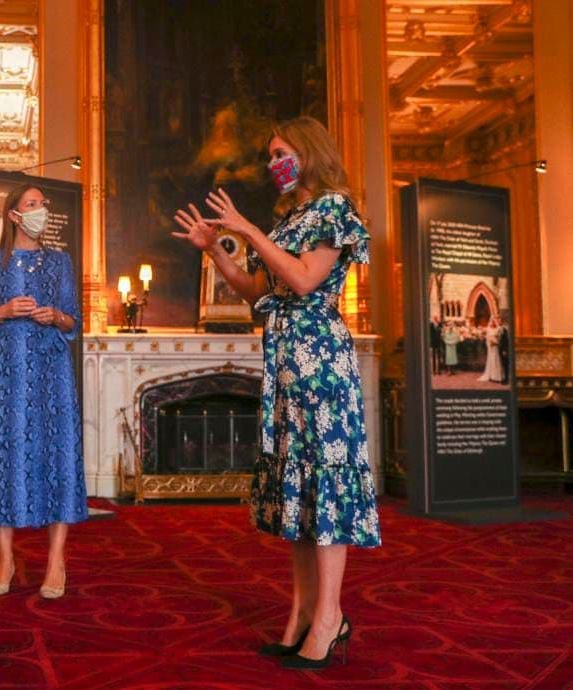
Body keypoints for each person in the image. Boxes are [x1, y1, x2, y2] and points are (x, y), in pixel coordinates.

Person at [171, 116, 380, 670]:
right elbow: (258, 288)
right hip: (287, 365)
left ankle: (330, 617)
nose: (272, 164)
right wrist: (216, 249)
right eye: (270, 155)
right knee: (300, 489)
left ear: (308, 153)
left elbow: (307, 280)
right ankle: (302, 612)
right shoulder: (290, 218)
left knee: (325, 486)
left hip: (321, 365)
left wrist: (250, 230)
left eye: (280, 152)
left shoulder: (334, 208)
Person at [0, 183, 86, 600]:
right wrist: (2, 311)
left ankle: (56, 560)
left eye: (43, 204)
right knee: (5, 453)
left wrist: (57, 316)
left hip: (51, 369)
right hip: (5, 370)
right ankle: (5, 558)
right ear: (14, 215)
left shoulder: (60, 262)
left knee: (57, 452)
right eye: (32, 205)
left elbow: (75, 323)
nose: (41, 210)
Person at [478, 317, 505, 383]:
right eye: (491, 322)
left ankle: (497, 376)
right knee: (491, 360)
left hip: (495, 347)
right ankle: (491, 375)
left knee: (496, 360)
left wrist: (496, 342)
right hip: (490, 347)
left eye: (493, 322)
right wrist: (488, 342)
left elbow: (499, 336)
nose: (492, 323)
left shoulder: (497, 329)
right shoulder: (488, 329)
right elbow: (485, 336)